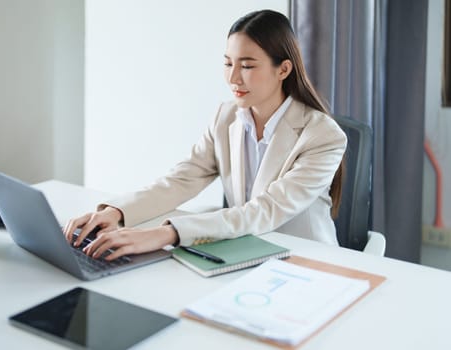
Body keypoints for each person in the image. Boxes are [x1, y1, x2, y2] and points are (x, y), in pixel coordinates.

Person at [64, 9, 347, 260]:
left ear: (283, 69)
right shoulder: (226, 118)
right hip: (244, 252)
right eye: (228, 63)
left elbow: (265, 210)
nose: (234, 78)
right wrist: (117, 212)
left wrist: (164, 234)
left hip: (307, 262)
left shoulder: (323, 136)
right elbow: (181, 180)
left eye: (247, 66)